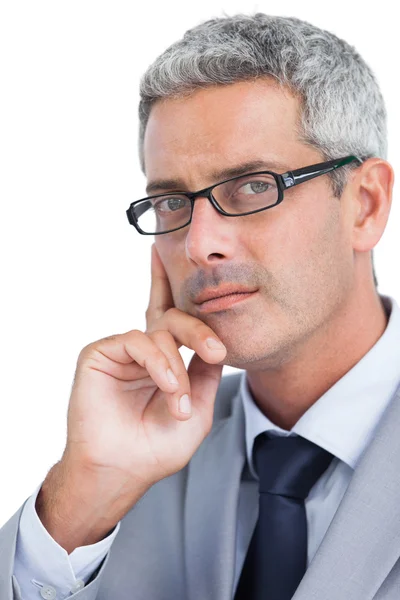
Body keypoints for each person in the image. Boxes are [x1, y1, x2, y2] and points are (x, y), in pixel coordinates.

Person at [0, 11, 398, 600]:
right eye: (171, 202)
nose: (198, 243)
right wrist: (82, 498)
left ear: (364, 205)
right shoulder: (138, 458)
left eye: (254, 186)